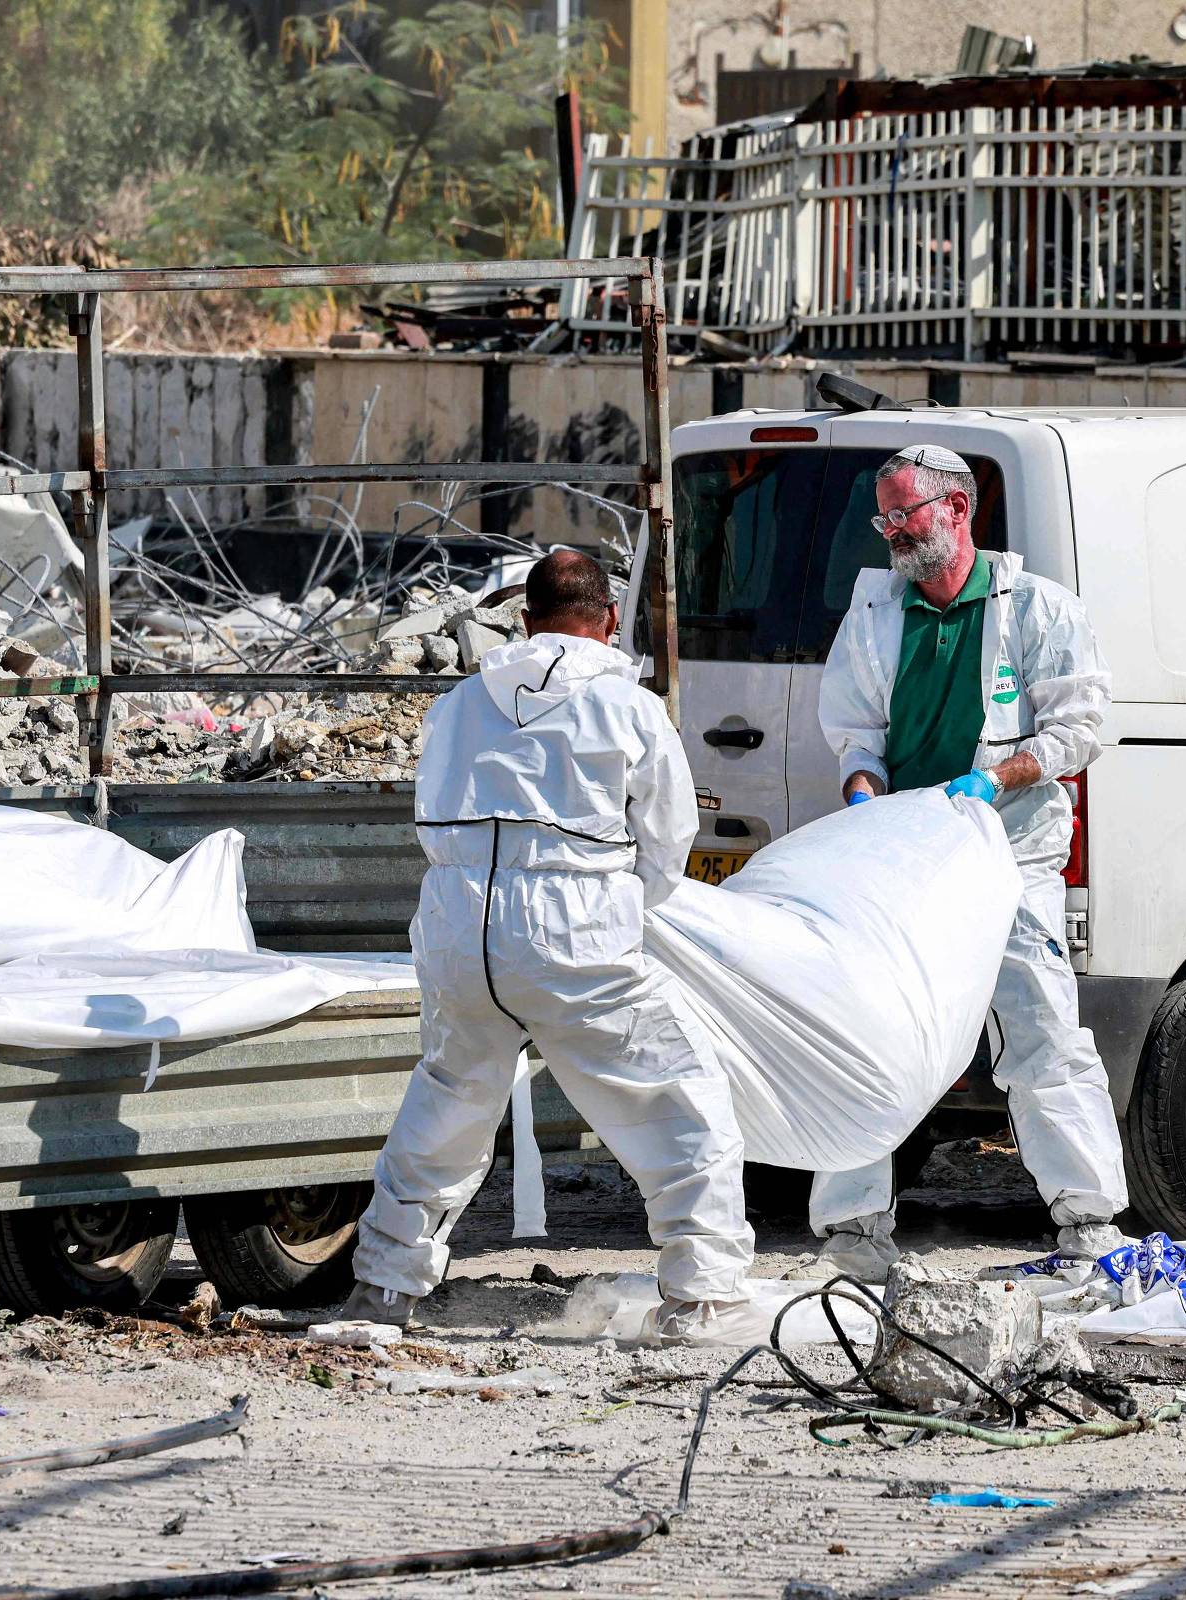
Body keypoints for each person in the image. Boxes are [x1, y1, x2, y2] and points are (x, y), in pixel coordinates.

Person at [334, 547, 765, 1344]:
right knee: (680, 1105)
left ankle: (382, 1291)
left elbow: (431, 810)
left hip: (462, 924)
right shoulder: (627, 705)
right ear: (608, 623)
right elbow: (668, 838)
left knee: (448, 1102)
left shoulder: (462, 702)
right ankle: (703, 1299)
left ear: (524, 621)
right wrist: (625, 903)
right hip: (574, 922)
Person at [809, 442, 1128, 1281]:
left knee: (1044, 1034)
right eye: (883, 517)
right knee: (868, 1034)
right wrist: (862, 789)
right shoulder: (877, 610)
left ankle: (1091, 1227)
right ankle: (853, 1233)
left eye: (905, 514)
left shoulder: (1040, 611)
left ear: (957, 510)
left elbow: (1080, 729)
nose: (892, 534)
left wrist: (996, 781)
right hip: (905, 862)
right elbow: (854, 731)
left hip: (1010, 856)